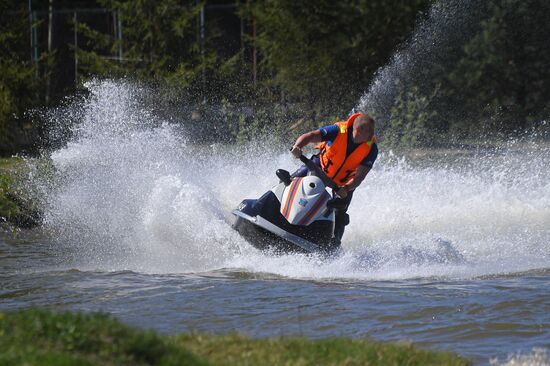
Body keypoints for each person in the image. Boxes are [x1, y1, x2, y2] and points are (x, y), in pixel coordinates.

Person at [290, 112, 378, 247]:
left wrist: (347, 188)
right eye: (369, 133)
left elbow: (360, 176)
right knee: (292, 182)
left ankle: (334, 243)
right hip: (319, 168)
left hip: (343, 184)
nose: (372, 136)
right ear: (358, 131)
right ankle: (270, 209)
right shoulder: (338, 130)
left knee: (340, 212)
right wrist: (298, 146)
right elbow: (311, 136)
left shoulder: (371, 149)